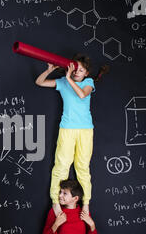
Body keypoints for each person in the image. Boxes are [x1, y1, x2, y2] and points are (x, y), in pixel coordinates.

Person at [35, 53, 109, 216]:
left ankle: (86, 203)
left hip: (85, 131)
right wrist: (48, 71)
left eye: (81, 70)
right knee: (61, 166)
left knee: (82, 167)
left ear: (86, 73)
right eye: (75, 68)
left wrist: (68, 78)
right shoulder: (62, 82)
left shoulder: (88, 83)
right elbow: (39, 82)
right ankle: (56, 201)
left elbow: (82, 94)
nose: (77, 72)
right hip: (67, 129)